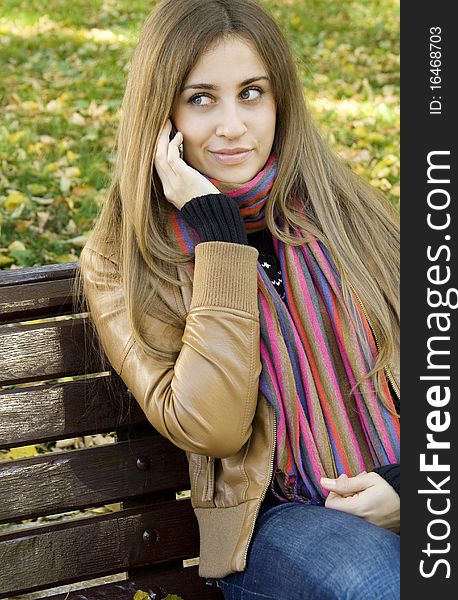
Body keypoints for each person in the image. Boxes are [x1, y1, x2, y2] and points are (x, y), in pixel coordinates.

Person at [79, 0, 400, 597]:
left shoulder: (348, 213)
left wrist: (411, 486)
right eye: (201, 98)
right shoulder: (123, 260)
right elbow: (213, 428)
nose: (233, 125)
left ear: (280, 102)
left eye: (252, 93)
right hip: (275, 519)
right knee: (377, 580)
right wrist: (220, 240)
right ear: (161, 114)